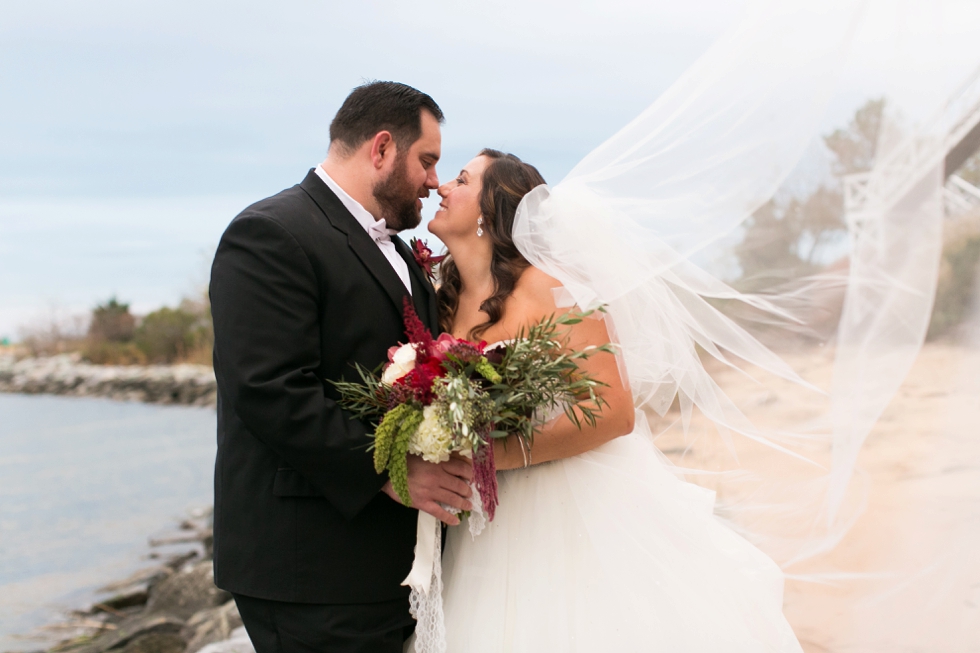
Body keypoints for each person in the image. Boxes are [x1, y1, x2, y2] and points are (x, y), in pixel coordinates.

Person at [422, 149, 804, 652]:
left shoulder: (548, 286)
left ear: (490, 211)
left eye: (461, 179)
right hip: (486, 523)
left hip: (569, 503)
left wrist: (498, 457)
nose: (443, 187)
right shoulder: (439, 297)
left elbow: (614, 410)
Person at [208, 81, 474, 653]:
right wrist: (391, 470)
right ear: (381, 148)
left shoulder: (402, 252)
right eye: (426, 161)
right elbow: (269, 389)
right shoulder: (272, 233)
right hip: (311, 567)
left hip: (385, 566)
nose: (434, 180)